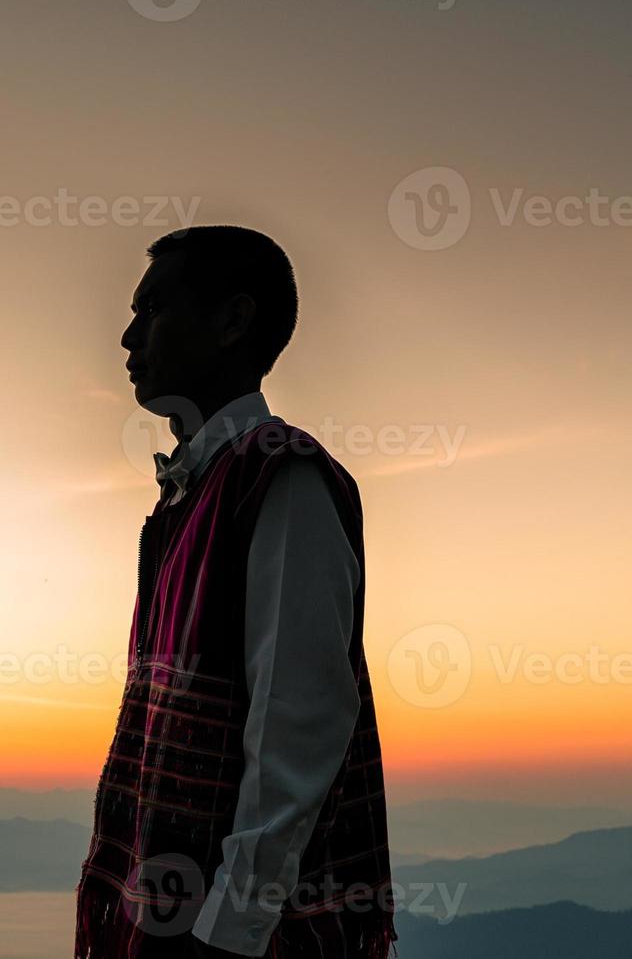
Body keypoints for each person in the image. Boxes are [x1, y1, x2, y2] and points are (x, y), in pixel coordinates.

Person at [75, 227, 397, 958]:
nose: (128, 336)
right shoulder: (195, 495)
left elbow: (299, 723)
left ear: (232, 321)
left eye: (152, 309)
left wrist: (230, 932)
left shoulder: (282, 478)